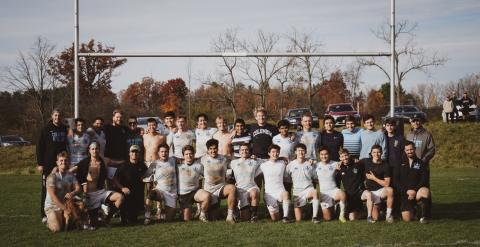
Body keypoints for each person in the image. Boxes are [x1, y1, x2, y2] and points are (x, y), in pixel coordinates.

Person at [76, 141, 125, 229]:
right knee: (94, 222)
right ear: (89, 150)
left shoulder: (105, 161)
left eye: (96, 149)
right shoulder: (84, 163)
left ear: (99, 150)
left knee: (120, 197)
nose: (95, 151)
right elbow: (73, 169)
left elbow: (116, 163)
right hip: (89, 195)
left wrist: (128, 160)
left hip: (101, 192)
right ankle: (91, 218)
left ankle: (107, 219)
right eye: (93, 149)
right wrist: (57, 169)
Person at [37, 108, 68, 223]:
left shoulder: (64, 128)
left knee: (61, 187)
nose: (57, 117)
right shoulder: (46, 129)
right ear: (52, 116)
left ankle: (60, 210)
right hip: (48, 165)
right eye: (55, 115)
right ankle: (44, 214)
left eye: (59, 116)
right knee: (46, 188)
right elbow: (39, 147)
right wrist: (40, 163)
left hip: (61, 164)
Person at [200, 139, 237, 223]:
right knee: (213, 218)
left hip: (220, 189)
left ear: (217, 148)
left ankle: (230, 216)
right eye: (211, 149)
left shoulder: (223, 159)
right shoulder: (203, 159)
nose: (213, 151)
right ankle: (204, 212)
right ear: (207, 150)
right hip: (209, 191)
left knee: (232, 188)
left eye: (215, 148)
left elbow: (235, 164)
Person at [393, 141, 431, 223]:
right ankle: (414, 210)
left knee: (425, 191)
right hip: (404, 194)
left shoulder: (421, 163)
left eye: (411, 149)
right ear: (404, 150)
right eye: (407, 150)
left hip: (416, 192)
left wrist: (415, 190)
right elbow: (396, 181)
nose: (409, 151)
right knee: (407, 219)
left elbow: (424, 179)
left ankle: (423, 216)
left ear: (415, 149)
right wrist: (406, 191)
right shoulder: (399, 163)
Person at [44, 151, 81, 232]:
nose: (63, 162)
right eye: (61, 160)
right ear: (57, 162)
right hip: (53, 206)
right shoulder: (51, 177)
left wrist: (72, 193)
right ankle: (48, 220)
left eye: (65, 160)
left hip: (66, 204)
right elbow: (53, 197)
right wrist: (65, 209)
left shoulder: (70, 175)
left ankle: (68, 219)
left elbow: (78, 188)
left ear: (68, 162)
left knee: (82, 205)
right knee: (56, 229)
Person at [336, 148, 374, 222]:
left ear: (349, 155)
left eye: (346, 155)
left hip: (360, 192)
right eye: (342, 156)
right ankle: (363, 213)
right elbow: (336, 183)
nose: (345, 158)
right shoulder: (340, 168)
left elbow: (367, 162)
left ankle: (369, 217)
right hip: (350, 195)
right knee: (352, 218)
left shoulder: (357, 164)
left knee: (369, 194)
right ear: (340, 158)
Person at [111, 145, 147, 225]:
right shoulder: (123, 165)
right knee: (125, 221)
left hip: (137, 194)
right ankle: (120, 213)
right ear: (129, 154)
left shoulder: (142, 165)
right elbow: (114, 179)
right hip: (125, 193)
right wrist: (122, 188)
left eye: (136, 152)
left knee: (133, 220)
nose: (134, 154)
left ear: (139, 154)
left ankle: (132, 213)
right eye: (132, 152)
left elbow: (147, 177)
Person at [359, 145, 394, 223]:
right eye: (374, 152)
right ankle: (376, 209)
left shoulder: (385, 165)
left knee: (390, 190)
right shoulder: (366, 161)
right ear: (371, 153)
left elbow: (387, 183)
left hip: (381, 191)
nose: (376, 154)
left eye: (378, 152)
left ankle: (388, 215)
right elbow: (354, 162)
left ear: (381, 153)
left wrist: (374, 178)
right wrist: (340, 163)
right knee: (376, 218)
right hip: (370, 192)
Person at [285, 143, 320, 223]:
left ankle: (314, 217)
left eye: (303, 150)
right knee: (298, 220)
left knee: (315, 192)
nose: (301, 152)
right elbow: (286, 178)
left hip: (308, 189)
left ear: (306, 152)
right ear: (295, 152)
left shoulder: (310, 164)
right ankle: (303, 212)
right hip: (297, 193)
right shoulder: (291, 165)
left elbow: (315, 178)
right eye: (299, 150)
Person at [144, 144, 178, 223]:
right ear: (158, 153)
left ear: (168, 152)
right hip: (160, 191)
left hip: (172, 193)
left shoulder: (173, 160)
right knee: (151, 194)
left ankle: (162, 213)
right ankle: (147, 217)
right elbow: (146, 175)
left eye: (166, 152)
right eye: (162, 152)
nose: (164, 153)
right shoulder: (154, 163)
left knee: (168, 220)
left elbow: (184, 160)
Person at [177, 145, 210, 222]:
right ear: (183, 155)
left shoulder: (199, 166)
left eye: (191, 153)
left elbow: (207, 176)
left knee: (207, 196)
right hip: (183, 194)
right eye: (186, 154)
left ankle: (202, 215)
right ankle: (182, 212)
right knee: (186, 219)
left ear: (194, 154)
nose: (189, 156)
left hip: (195, 192)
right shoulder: (178, 166)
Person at [230, 143, 261, 222]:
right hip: (240, 189)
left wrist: (282, 158)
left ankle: (254, 215)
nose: (244, 151)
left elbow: (269, 160)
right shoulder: (233, 162)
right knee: (244, 218)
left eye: (246, 149)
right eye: (242, 150)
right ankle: (242, 210)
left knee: (254, 192)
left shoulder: (255, 161)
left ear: (249, 151)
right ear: (239, 152)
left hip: (251, 187)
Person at [259, 144, 291, 223]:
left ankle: (286, 217)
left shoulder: (283, 163)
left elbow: (292, 161)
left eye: (277, 152)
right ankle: (275, 210)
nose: (275, 154)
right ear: (269, 153)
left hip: (280, 191)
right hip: (270, 193)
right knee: (275, 219)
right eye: (273, 152)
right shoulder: (263, 165)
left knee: (286, 194)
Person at [314, 147, 347, 222]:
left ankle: (341, 216)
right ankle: (335, 206)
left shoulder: (335, 163)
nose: (324, 156)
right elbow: (313, 177)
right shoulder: (316, 165)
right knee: (328, 218)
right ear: (319, 155)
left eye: (326, 154)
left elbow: (345, 161)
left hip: (334, 190)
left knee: (342, 194)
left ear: (329, 155)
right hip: (324, 193)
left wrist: (354, 160)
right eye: (322, 154)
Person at [406, 117, 435, 186]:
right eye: (413, 121)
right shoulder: (409, 134)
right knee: (411, 186)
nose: (416, 123)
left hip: (423, 165)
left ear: (421, 121)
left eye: (417, 121)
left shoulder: (427, 134)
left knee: (424, 187)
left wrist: (423, 160)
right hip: (410, 166)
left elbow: (432, 150)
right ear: (411, 122)